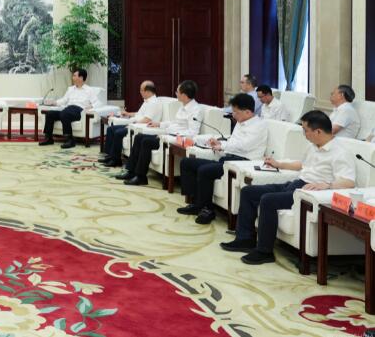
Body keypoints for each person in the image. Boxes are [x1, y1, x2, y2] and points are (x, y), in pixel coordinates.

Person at [221, 110, 356, 265]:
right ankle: (245, 239)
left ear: (318, 131)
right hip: (295, 184)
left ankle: (264, 251)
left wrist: (327, 185)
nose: (304, 134)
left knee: (268, 200)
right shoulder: (314, 146)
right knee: (248, 192)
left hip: (306, 193)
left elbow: (349, 182)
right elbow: (302, 165)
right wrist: (279, 164)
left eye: (305, 130)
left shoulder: (340, 152)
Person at [178, 93, 268, 224]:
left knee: (205, 171)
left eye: (236, 112)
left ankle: (207, 210)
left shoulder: (259, 125)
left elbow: (244, 146)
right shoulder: (241, 122)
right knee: (187, 163)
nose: (233, 115)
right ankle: (196, 203)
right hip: (228, 159)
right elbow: (233, 141)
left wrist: (223, 146)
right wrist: (219, 143)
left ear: (248, 112)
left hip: (242, 162)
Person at [115, 80, 202, 186]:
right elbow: (174, 123)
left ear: (184, 95)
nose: (176, 94)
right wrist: (159, 124)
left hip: (174, 139)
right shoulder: (183, 106)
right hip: (167, 135)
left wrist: (170, 135)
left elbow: (192, 133)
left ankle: (141, 177)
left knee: (146, 142)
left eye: (177, 92)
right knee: (139, 137)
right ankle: (131, 171)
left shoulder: (196, 110)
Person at [101, 81, 162, 167]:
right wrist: (127, 113)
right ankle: (110, 156)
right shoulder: (147, 101)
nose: (140, 92)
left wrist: (132, 123)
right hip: (135, 124)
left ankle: (116, 160)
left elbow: (146, 120)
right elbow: (139, 114)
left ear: (148, 91)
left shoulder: (154, 103)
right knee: (110, 129)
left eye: (141, 90)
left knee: (118, 132)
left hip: (141, 127)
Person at [39, 68, 100, 149]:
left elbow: (98, 102)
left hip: (78, 111)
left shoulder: (89, 90)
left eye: (74, 76)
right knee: (50, 114)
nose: (72, 78)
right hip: (67, 110)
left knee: (64, 114)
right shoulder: (70, 89)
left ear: (81, 78)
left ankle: (70, 140)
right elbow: (64, 100)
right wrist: (54, 102)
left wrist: (91, 106)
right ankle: (49, 138)